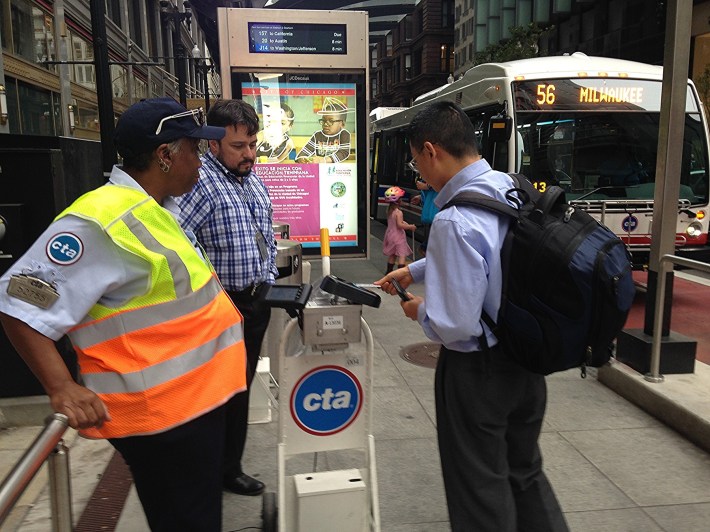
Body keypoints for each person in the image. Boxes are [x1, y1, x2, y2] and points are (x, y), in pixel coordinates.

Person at [0, 97, 247, 532]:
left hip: (193, 408)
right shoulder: (99, 221)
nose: (201, 161)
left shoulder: (154, 209)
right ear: (165, 155)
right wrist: (61, 388)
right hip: (163, 422)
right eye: (194, 148)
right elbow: (19, 302)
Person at [375, 101, 568, 532]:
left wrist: (418, 309)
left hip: (478, 374)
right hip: (526, 360)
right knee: (525, 473)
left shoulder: (454, 219)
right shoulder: (511, 187)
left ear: (431, 150)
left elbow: (456, 324)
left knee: (479, 489)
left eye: (415, 160)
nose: (418, 171)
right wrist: (418, 268)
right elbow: (496, 253)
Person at [176, 98, 278, 497]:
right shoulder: (200, 183)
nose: (249, 154)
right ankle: (217, 470)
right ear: (214, 145)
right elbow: (178, 241)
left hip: (255, 301)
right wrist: (213, 293)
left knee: (241, 388)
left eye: (253, 144)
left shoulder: (252, 179)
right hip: (222, 305)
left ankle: (227, 466)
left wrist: (268, 278)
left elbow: (266, 235)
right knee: (217, 393)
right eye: (239, 146)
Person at [295, 97, 352, 163]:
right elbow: (306, 150)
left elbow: (343, 153)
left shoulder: (344, 134)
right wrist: (301, 158)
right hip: (319, 169)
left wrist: (324, 160)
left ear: (342, 124)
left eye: (331, 121)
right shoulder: (317, 135)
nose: (325, 124)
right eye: (323, 120)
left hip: (338, 171)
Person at [382, 185, 416, 273]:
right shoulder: (399, 212)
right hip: (398, 236)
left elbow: (395, 222)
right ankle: (400, 273)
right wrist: (410, 227)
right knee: (402, 255)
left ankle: (388, 272)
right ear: (398, 201)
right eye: (401, 198)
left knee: (392, 255)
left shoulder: (390, 211)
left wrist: (405, 223)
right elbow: (399, 225)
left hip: (390, 235)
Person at [410, 175, 439, 256]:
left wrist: (427, 186)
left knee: (430, 249)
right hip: (429, 217)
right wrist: (420, 197)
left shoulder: (442, 173)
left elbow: (447, 184)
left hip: (435, 217)